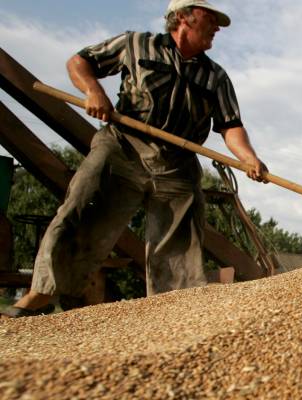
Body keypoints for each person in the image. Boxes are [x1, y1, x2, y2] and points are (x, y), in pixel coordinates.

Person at [1, 0, 267, 318]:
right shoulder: (137, 44)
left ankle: (170, 312)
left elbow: (231, 125)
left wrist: (249, 157)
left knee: (179, 242)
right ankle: (42, 293)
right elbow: (79, 62)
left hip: (177, 163)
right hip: (123, 148)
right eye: (210, 18)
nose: (217, 27)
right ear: (183, 18)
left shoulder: (216, 77)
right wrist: (93, 91)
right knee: (83, 210)